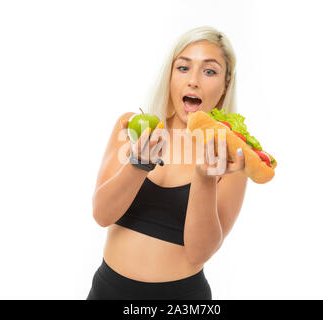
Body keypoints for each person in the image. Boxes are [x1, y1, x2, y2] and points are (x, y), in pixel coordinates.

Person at [86, 26, 248, 300]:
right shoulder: (132, 127)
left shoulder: (229, 155)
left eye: (209, 71)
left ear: (225, 85)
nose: (193, 81)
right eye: (183, 68)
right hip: (107, 291)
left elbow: (199, 252)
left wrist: (205, 179)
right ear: (170, 75)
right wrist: (138, 165)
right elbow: (102, 215)